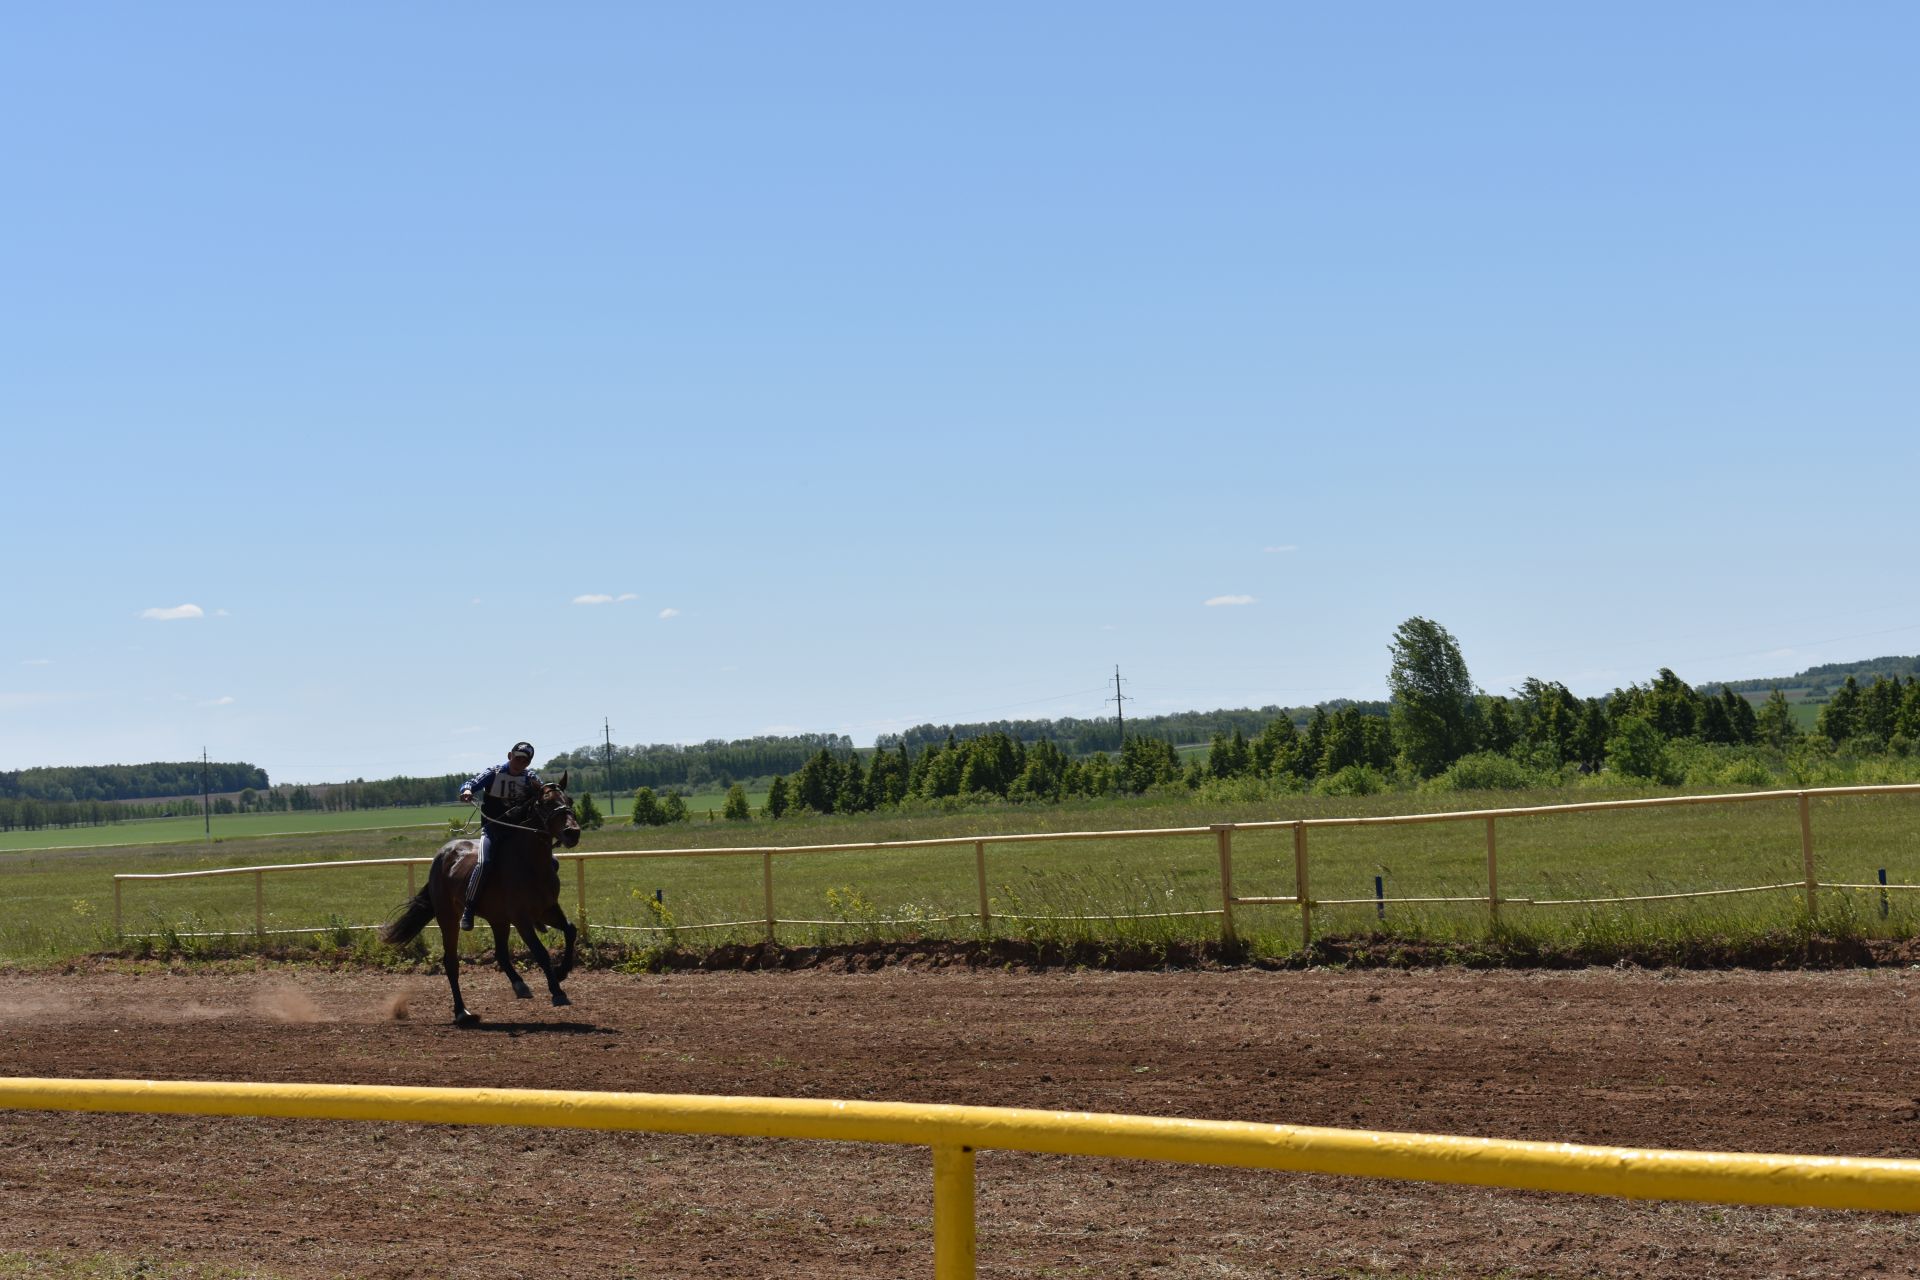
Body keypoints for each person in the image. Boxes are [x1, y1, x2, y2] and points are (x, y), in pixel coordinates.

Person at [457, 741, 542, 931]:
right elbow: (470, 782)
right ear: (509, 756)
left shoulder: (531, 777)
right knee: (484, 863)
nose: (520, 763)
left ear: (528, 763)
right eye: (517, 758)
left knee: (550, 862)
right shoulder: (493, 773)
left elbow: (543, 791)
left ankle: (537, 910)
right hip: (493, 830)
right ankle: (469, 909)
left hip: (518, 833)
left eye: (525, 760)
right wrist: (467, 790)